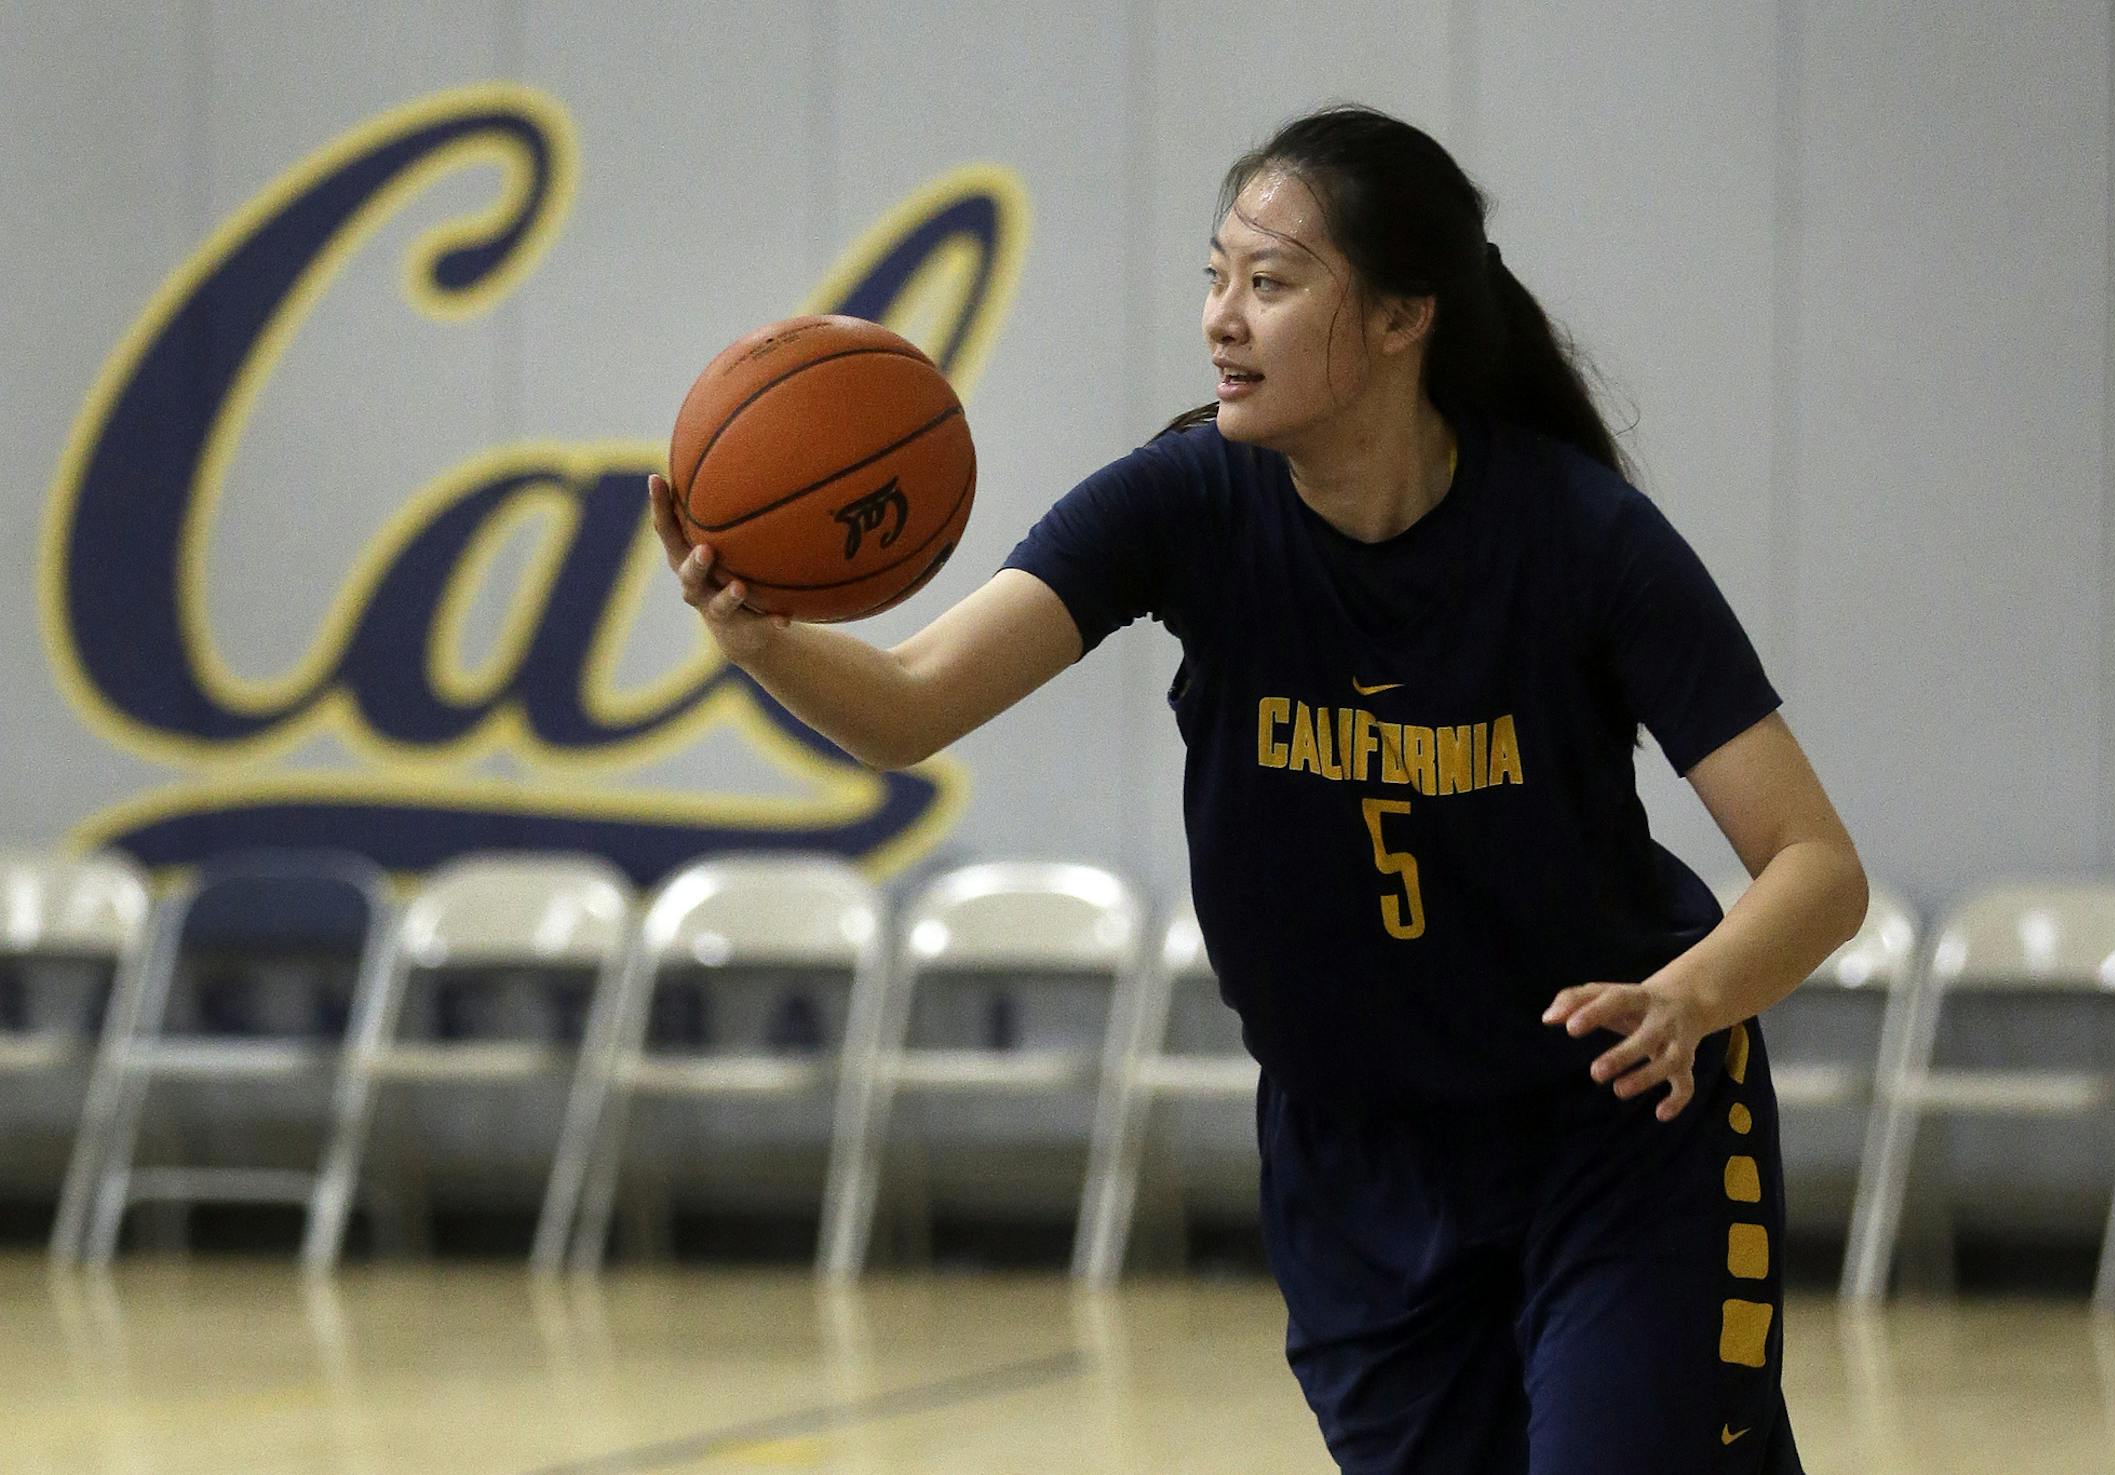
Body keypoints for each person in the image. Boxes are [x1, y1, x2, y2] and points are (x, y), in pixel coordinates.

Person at [648, 103, 1866, 1475]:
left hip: (1614, 1129)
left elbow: (1818, 868)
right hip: (1356, 1163)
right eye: (1217, 276)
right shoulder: (1188, 505)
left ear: (1404, 316)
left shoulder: (1582, 539)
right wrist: (762, 641)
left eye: (1273, 285)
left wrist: (1691, 996)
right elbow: (916, 705)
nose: (1224, 319)